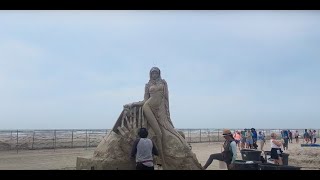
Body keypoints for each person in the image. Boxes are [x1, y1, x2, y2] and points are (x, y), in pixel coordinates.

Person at [124, 67, 199, 169]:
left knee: (168, 131)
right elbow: (144, 101)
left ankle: (163, 162)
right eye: (152, 73)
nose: (154, 74)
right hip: (148, 107)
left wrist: (166, 114)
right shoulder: (147, 85)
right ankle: (163, 162)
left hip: (160, 110)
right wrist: (132, 104)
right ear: (150, 74)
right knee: (159, 133)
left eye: (156, 72)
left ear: (159, 73)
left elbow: (166, 99)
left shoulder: (163, 82)